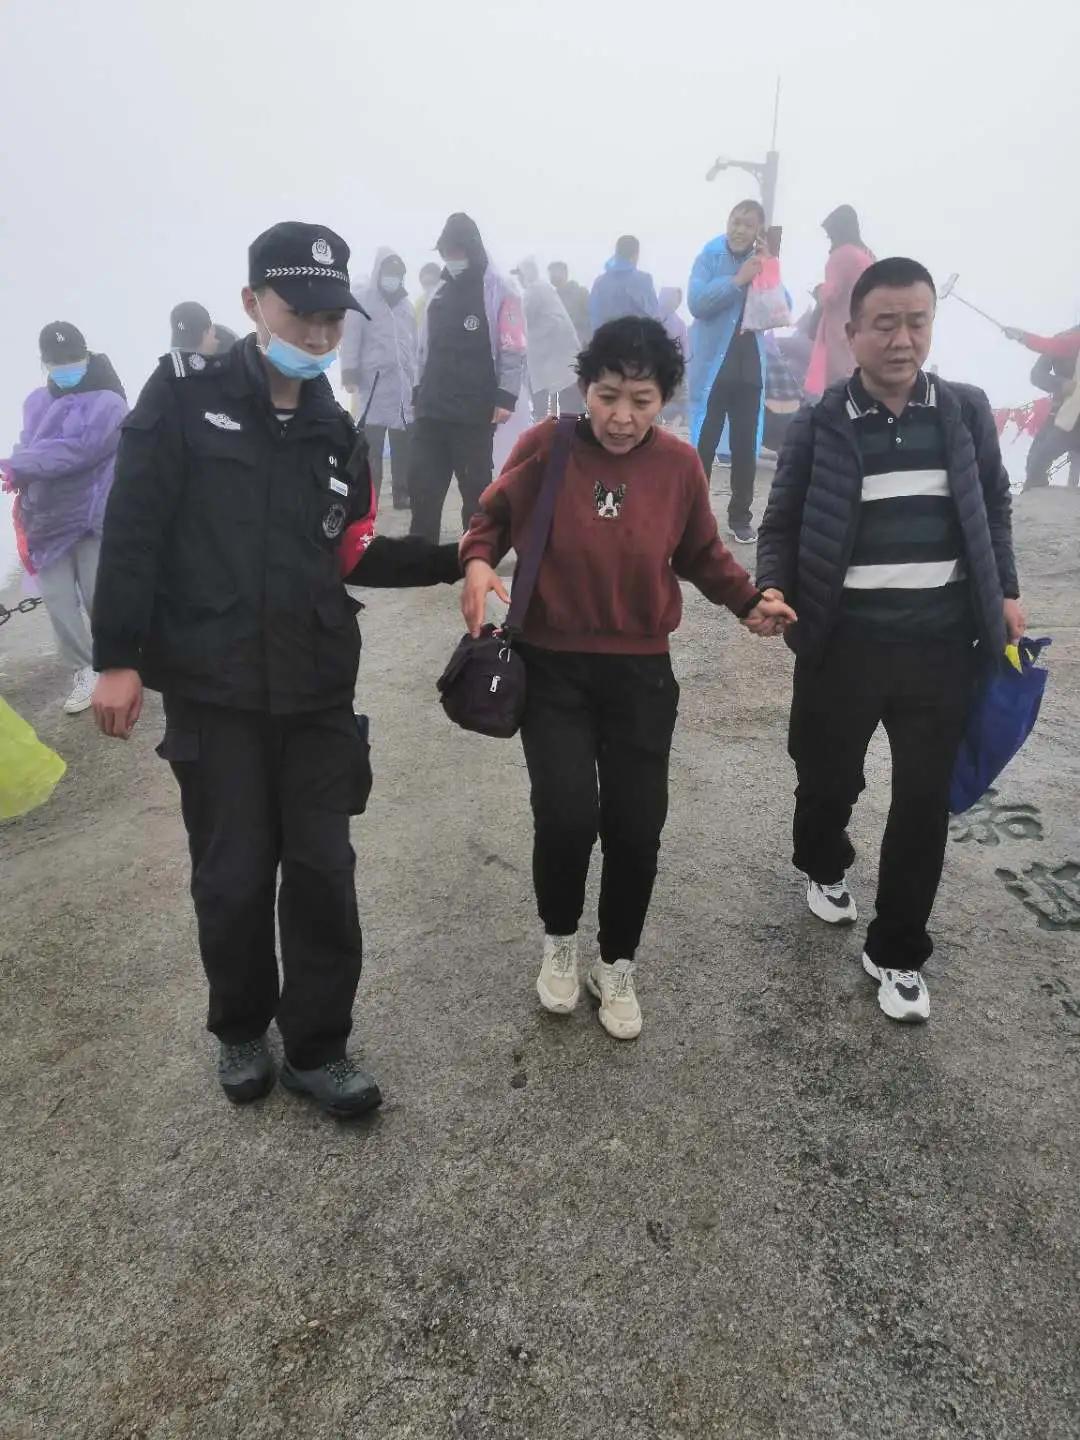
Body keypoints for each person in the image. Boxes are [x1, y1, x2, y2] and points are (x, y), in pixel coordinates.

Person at [91, 222, 462, 1117]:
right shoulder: (183, 395)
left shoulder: (337, 429)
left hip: (316, 689)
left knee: (326, 871)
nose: (320, 336)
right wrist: (115, 658)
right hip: (216, 691)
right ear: (252, 302)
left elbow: (348, 551)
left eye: (333, 319)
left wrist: (460, 557)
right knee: (232, 873)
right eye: (301, 316)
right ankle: (240, 1030)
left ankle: (319, 1047)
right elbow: (133, 529)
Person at [459, 318, 796, 1041]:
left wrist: (748, 600)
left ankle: (617, 963)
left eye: (642, 399)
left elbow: (704, 552)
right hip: (551, 668)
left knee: (637, 826)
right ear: (584, 389)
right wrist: (478, 561)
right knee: (567, 813)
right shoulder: (546, 445)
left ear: (665, 399)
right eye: (608, 395)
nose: (622, 415)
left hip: (642, 673)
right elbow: (490, 516)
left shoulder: (678, 466)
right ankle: (559, 943)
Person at [756, 257, 1025, 1025]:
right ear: (853, 334)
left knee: (921, 805)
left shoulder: (965, 413)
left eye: (917, 322)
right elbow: (781, 521)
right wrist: (772, 586)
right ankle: (822, 860)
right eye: (885, 324)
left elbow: (994, 507)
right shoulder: (819, 422)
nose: (903, 339)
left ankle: (898, 950)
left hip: (942, 648)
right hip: (843, 644)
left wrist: (1002, 591)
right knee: (826, 775)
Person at [1, 323, 127, 714]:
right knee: (58, 603)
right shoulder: (35, 402)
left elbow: (80, 450)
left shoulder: (109, 402)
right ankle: (83, 670)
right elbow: (30, 443)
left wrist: (20, 463)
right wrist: (20, 466)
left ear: (86, 355)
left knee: (97, 595)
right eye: (56, 362)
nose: (65, 368)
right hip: (46, 521)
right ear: (45, 363)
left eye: (72, 359)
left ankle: (116, 665)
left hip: (90, 519)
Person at [408, 212, 525, 543]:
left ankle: (475, 547)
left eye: (457, 251)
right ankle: (421, 546)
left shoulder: (500, 289)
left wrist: (506, 396)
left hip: (475, 406)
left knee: (475, 485)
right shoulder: (439, 290)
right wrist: (418, 390)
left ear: (472, 250)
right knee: (423, 480)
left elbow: (512, 346)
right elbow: (423, 347)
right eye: (446, 252)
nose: (451, 259)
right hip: (432, 403)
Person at [687, 198, 768, 545]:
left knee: (745, 447)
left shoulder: (764, 262)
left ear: (758, 231)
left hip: (748, 367)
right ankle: (693, 520)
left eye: (748, 223)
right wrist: (737, 280)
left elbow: (784, 307)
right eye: (736, 220)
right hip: (713, 369)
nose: (739, 228)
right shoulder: (710, 256)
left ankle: (740, 517)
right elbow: (697, 302)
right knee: (702, 447)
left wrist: (768, 270)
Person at [341, 246, 418, 511]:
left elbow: (413, 344)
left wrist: (416, 380)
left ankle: (402, 494)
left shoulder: (407, 306)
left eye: (397, 273)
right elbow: (351, 338)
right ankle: (369, 497)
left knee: (403, 445)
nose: (392, 278)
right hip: (373, 384)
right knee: (371, 447)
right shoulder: (363, 301)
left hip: (402, 386)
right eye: (389, 272)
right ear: (379, 272)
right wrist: (349, 372)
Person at [804, 205, 874, 399]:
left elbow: (830, 294)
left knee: (836, 393)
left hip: (839, 333)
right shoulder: (867, 256)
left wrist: (818, 290)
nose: (829, 239)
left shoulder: (842, 255)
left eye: (830, 234)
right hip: (863, 332)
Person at [1001, 322, 1080, 489]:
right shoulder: (1063, 339)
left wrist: (1024, 337)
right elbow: (1037, 375)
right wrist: (1060, 384)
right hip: (1063, 415)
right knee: (1036, 461)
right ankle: (1034, 502)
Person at [512, 257, 582, 420]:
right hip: (558, 359)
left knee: (563, 407)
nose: (519, 280)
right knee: (568, 404)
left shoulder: (535, 290)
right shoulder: (544, 288)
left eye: (520, 275)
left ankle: (560, 438)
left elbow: (520, 320)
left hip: (555, 359)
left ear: (526, 274)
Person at [589, 235, 660, 330]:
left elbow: (594, 316)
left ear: (616, 253)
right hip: (637, 340)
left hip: (606, 340)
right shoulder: (644, 280)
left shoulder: (600, 282)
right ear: (635, 255)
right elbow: (653, 313)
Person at [657, 287, 689, 426]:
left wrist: (684, 367)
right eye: (673, 298)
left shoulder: (679, 323)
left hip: (673, 367)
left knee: (680, 396)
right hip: (655, 366)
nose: (675, 302)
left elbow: (685, 348)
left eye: (678, 300)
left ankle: (679, 417)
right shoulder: (652, 317)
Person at [548, 261, 591, 346]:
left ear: (565, 273)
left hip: (581, 342)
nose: (552, 276)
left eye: (555, 272)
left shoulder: (581, 292)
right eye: (551, 274)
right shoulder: (552, 298)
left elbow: (591, 316)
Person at [415, 261, 443, 327]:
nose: (429, 287)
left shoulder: (447, 301)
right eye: (425, 283)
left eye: (431, 283)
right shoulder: (419, 303)